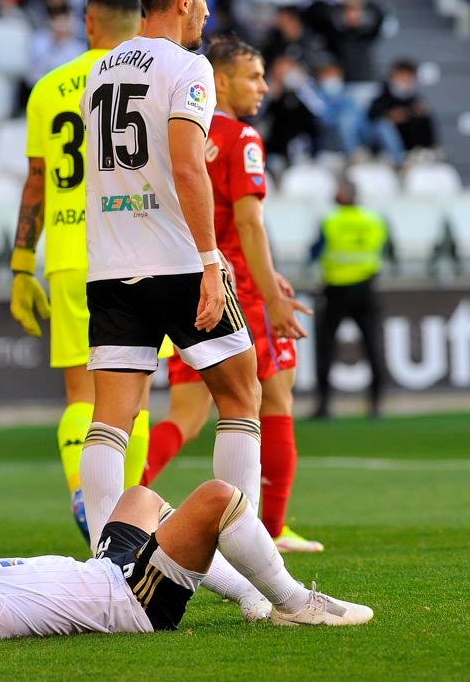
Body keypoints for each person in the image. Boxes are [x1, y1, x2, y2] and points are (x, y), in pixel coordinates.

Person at [77, 0, 262, 550]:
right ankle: (247, 550)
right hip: (178, 261)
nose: (207, 11)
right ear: (184, 0)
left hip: (109, 265)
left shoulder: (99, 70)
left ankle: (109, 559)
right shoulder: (189, 68)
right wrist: (212, 262)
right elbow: (188, 167)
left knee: (112, 420)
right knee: (240, 394)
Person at [140, 37, 320, 554]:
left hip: (183, 286)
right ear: (219, 81)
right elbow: (248, 223)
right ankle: (272, 531)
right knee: (274, 399)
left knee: (185, 417)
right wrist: (272, 294)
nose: (263, 86)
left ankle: (114, 506)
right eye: (253, 76)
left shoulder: (178, 132)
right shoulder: (241, 138)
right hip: (237, 291)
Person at [0, 482, 373, 642]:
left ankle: (247, 594)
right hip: (133, 603)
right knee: (218, 499)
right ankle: (294, 602)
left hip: (106, 573)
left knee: (139, 498)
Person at [11, 0, 150, 543]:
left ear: (89, 22)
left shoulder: (48, 89)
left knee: (81, 395)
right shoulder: (146, 77)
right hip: (138, 250)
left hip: (71, 253)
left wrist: (22, 263)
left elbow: (38, 181)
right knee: (134, 395)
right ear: (137, 25)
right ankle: (126, 522)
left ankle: (81, 493)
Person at [309, 182, 390, 420]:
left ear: (341, 195)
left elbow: (315, 252)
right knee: (373, 345)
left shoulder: (330, 220)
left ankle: (324, 406)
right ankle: (376, 405)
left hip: (335, 290)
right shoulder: (373, 220)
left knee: (325, 348)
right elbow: (385, 249)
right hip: (366, 288)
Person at [367, 59, 438, 166]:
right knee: (383, 126)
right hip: (383, 147)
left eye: (407, 77)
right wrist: (389, 115)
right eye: (401, 76)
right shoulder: (381, 96)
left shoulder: (415, 101)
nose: (404, 80)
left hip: (409, 145)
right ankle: (398, 162)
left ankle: (422, 153)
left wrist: (412, 115)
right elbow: (371, 116)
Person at [26, 0, 87, 87]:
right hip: (41, 87)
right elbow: (32, 75)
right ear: (50, 21)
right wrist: (54, 44)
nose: (61, 25)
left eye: (64, 20)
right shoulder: (38, 40)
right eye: (57, 21)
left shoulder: (78, 47)